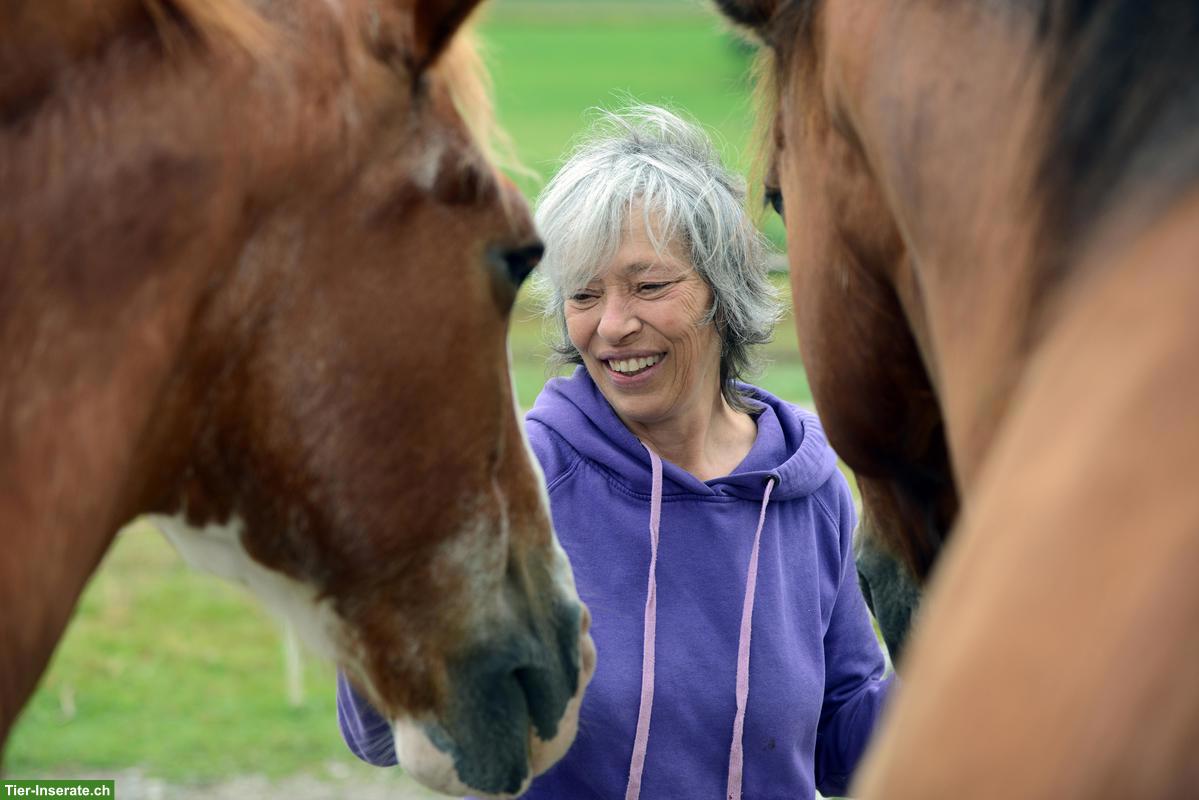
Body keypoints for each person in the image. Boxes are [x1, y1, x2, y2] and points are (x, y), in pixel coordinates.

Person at [336, 105, 893, 799]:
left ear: (722, 293)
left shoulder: (806, 490)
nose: (613, 325)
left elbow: (842, 746)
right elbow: (383, 736)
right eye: (584, 295)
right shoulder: (514, 482)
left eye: (649, 286)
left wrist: (956, 661)